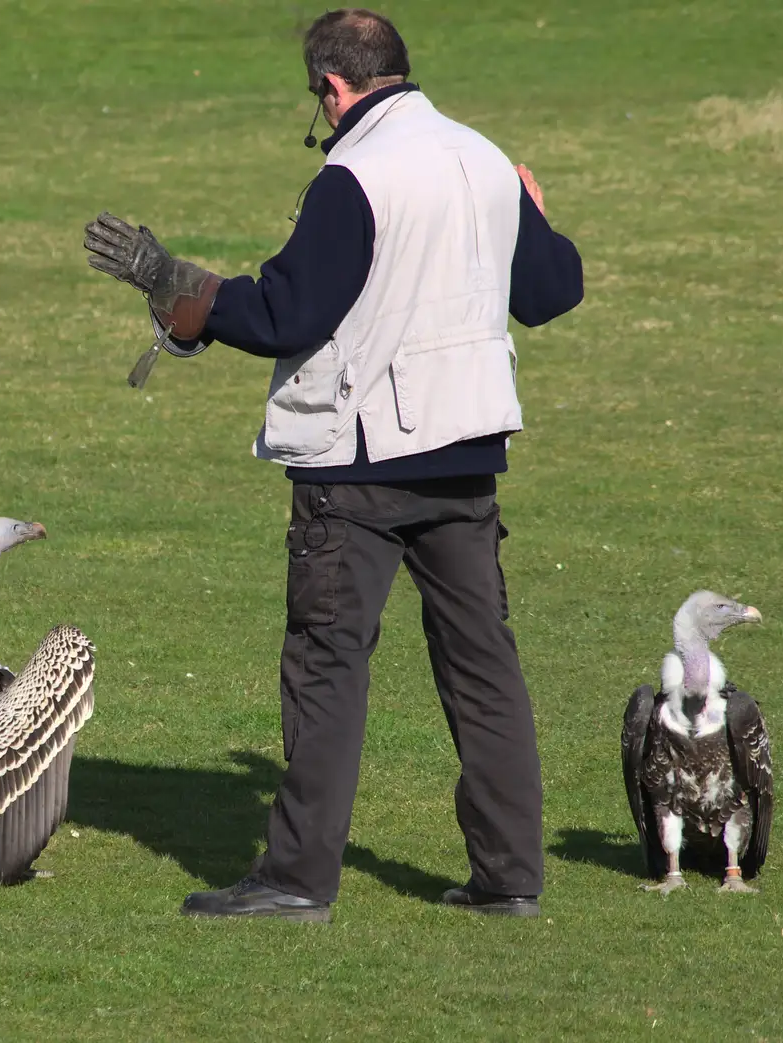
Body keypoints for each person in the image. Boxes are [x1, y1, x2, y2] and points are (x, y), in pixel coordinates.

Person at [83, 8, 583, 921]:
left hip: (359, 464)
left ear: (333, 88)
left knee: (327, 665)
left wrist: (174, 284)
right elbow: (551, 293)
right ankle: (511, 875)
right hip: (467, 459)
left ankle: (294, 879)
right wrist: (537, 220)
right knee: (483, 666)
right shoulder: (482, 156)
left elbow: (285, 314)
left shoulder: (353, 176)